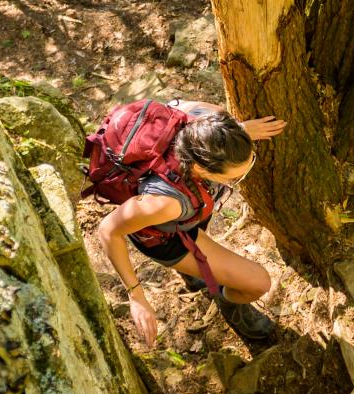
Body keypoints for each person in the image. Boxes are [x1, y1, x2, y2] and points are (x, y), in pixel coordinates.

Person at [93, 98, 286, 347]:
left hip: (191, 211)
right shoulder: (164, 203)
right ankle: (227, 300)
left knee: (195, 215)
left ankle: (194, 274)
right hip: (167, 238)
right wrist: (137, 296)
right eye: (235, 176)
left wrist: (240, 131)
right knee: (258, 283)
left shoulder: (208, 120)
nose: (242, 176)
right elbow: (108, 230)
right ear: (201, 169)